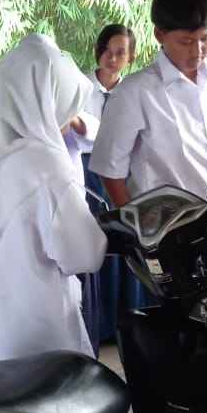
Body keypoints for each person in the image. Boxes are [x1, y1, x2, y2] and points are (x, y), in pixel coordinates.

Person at [0, 33, 107, 365]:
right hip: (34, 349)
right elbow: (85, 255)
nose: (64, 125)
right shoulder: (45, 165)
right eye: (64, 110)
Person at [89, 0, 207, 207]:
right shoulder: (135, 92)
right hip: (161, 219)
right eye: (186, 41)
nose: (197, 50)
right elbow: (109, 168)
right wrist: (134, 222)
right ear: (159, 34)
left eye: (205, 39)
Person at [74, 25, 145, 346]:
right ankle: (98, 324)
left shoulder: (134, 92)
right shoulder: (78, 88)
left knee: (126, 240)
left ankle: (127, 321)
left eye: (120, 53)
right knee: (95, 243)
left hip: (124, 174)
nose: (112, 58)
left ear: (131, 58)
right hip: (88, 174)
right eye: (107, 50)